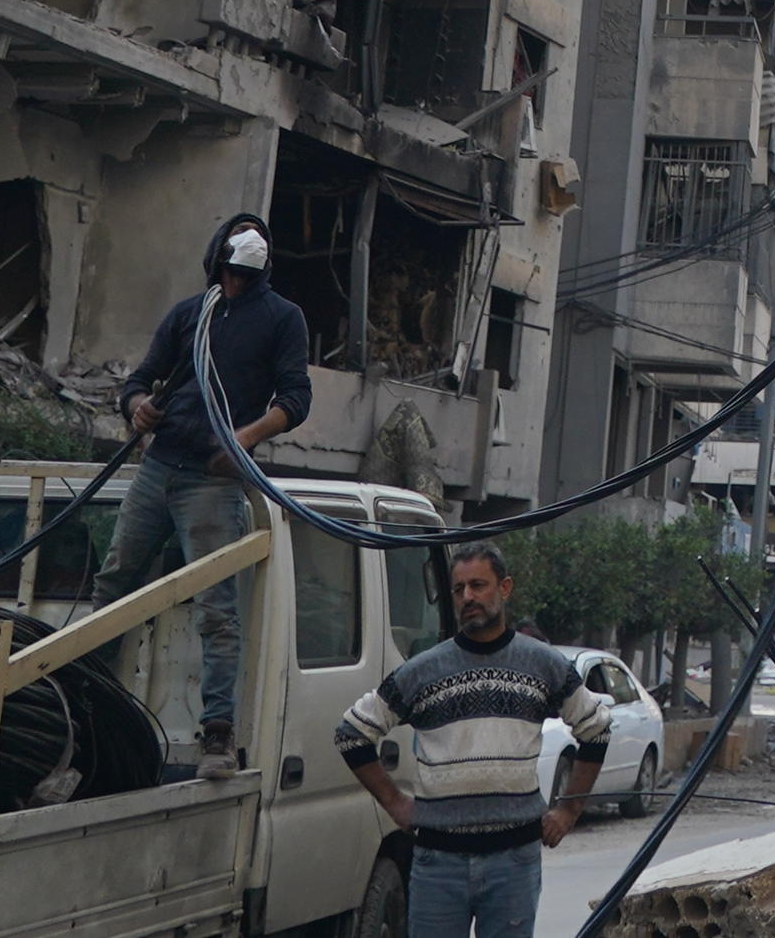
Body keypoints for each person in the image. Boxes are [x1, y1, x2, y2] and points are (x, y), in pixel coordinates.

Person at [101, 214, 313, 772]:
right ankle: (88, 697)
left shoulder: (282, 318)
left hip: (213, 479)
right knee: (115, 581)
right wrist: (137, 406)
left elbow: (295, 398)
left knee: (217, 609)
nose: (238, 273)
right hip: (160, 466)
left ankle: (217, 732)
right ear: (217, 257)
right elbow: (138, 381)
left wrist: (243, 438)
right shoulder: (189, 314)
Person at [344, 540, 607, 938]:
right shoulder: (423, 671)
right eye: (458, 589)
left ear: (505, 588)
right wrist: (394, 802)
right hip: (438, 863)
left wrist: (569, 810)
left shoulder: (543, 664)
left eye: (478, 585)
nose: (468, 597)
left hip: (513, 862)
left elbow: (596, 728)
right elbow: (352, 733)